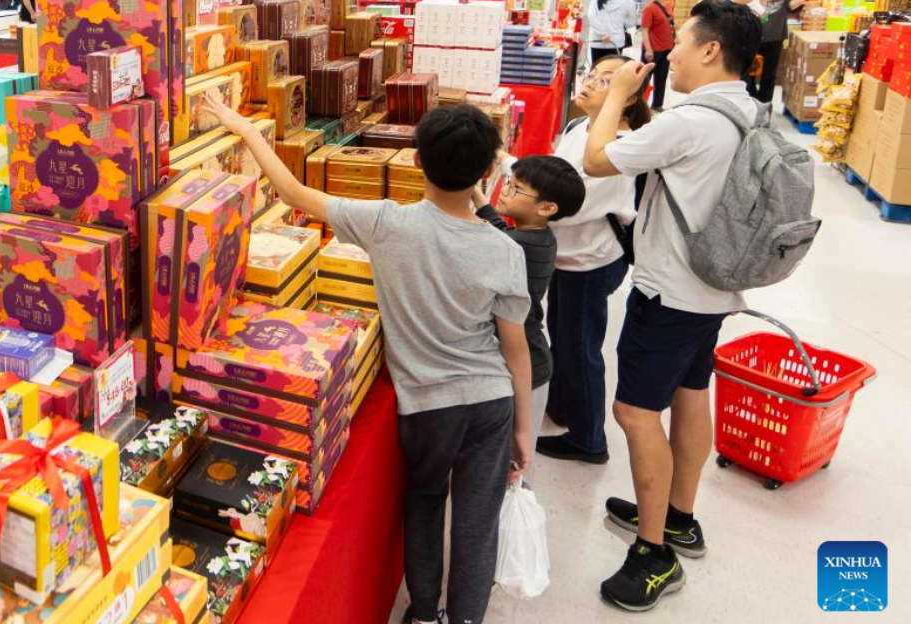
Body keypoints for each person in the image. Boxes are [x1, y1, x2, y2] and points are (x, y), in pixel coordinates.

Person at [200, 97, 534, 624]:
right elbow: (515, 347)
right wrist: (523, 424)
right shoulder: (505, 251)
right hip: (490, 400)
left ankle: (424, 613)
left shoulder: (385, 223)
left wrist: (245, 127)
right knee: (477, 521)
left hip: (427, 404)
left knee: (425, 500)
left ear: (416, 162)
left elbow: (292, 192)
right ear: (489, 172)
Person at [582, 0, 762, 611]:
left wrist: (612, 99)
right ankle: (679, 515)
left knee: (635, 414)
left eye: (680, 43)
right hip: (712, 286)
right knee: (690, 394)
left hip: (671, 292)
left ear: (711, 50)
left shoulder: (691, 120)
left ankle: (654, 554)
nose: (669, 54)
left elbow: (596, 158)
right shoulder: (746, 109)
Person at [538, 55, 651, 464]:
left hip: (590, 260)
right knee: (563, 337)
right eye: (592, 75)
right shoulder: (576, 127)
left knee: (580, 346)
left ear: (626, 98)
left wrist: (527, 204)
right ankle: (566, 405)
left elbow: (576, 204)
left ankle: (589, 439)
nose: (588, 83)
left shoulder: (618, 148)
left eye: (606, 81)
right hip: (567, 254)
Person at [471, 155, 585, 484]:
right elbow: (499, 230)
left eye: (516, 188)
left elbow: (494, 240)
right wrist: (478, 197)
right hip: (531, 363)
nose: (505, 190)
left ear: (547, 208)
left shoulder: (518, 246)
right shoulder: (535, 236)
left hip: (526, 369)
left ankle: (509, 531)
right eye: (508, 182)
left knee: (514, 467)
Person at [748, 0, 805, 103]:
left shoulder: (785, 3)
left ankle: (765, 101)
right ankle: (751, 96)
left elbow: (799, 0)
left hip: (774, 42)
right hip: (755, 40)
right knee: (750, 70)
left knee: (769, 74)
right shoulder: (758, 0)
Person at [640, 0, 677, 110]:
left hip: (667, 48)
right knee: (644, 79)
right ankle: (639, 106)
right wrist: (648, 49)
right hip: (653, 49)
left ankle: (657, 104)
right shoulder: (650, 9)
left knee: (661, 77)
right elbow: (645, 30)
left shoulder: (667, 7)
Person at [588, 0, 637, 65]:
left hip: (597, 41)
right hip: (616, 42)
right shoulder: (627, 0)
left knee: (597, 70)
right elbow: (632, 22)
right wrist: (622, 23)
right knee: (613, 71)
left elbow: (591, 17)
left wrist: (602, 34)